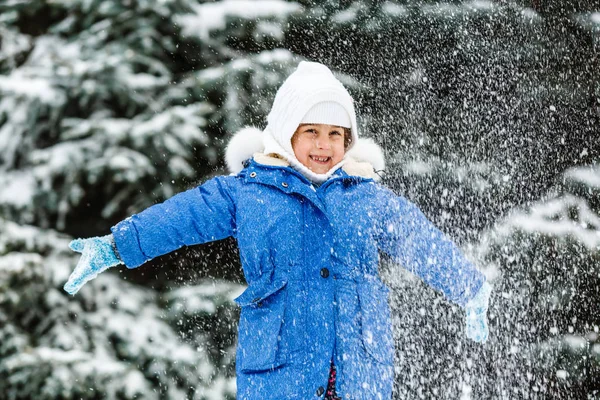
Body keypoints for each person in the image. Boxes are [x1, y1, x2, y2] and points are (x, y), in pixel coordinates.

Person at [64, 61, 492, 400]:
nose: (324, 146)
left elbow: (421, 242)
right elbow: (182, 217)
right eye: (311, 132)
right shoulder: (248, 193)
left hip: (358, 368)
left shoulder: (368, 198)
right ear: (287, 134)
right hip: (280, 371)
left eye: (336, 135)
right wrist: (115, 245)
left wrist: (470, 288)